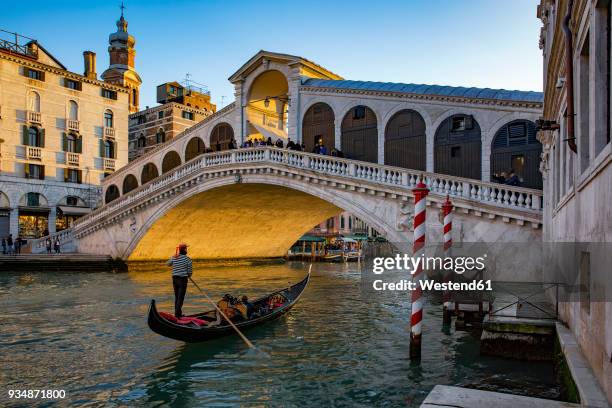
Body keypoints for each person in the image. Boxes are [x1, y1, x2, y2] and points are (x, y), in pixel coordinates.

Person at [166, 243, 193, 318]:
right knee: (180, 298)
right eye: (186, 248)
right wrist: (188, 275)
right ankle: (178, 315)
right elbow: (190, 272)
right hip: (182, 280)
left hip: (175, 279)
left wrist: (173, 258)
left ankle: (177, 313)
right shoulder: (188, 259)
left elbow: (167, 264)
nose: (186, 250)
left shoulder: (174, 257)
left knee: (177, 297)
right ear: (184, 249)